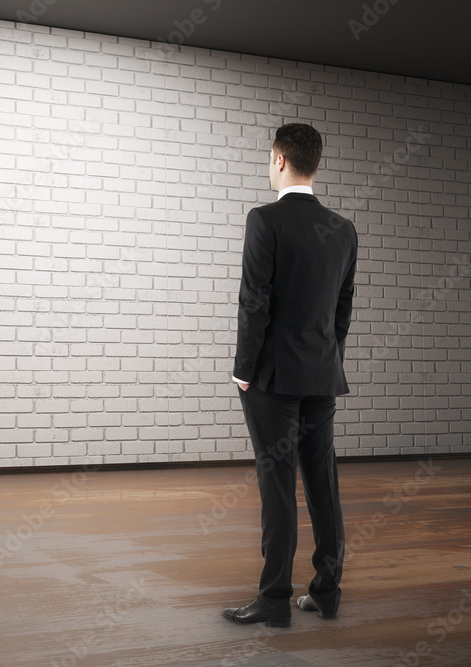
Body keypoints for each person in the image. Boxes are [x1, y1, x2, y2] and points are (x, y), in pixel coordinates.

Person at [223, 123, 357, 627]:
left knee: (276, 484)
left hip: (272, 379)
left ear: (279, 160)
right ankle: (327, 592)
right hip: (322, 375)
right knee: (322, 482)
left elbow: (253, 303)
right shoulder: (344, 229)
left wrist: (243, 369)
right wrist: (328, 359)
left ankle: (275, 600)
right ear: (314, 162)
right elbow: (343, 311)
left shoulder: (265, 220)